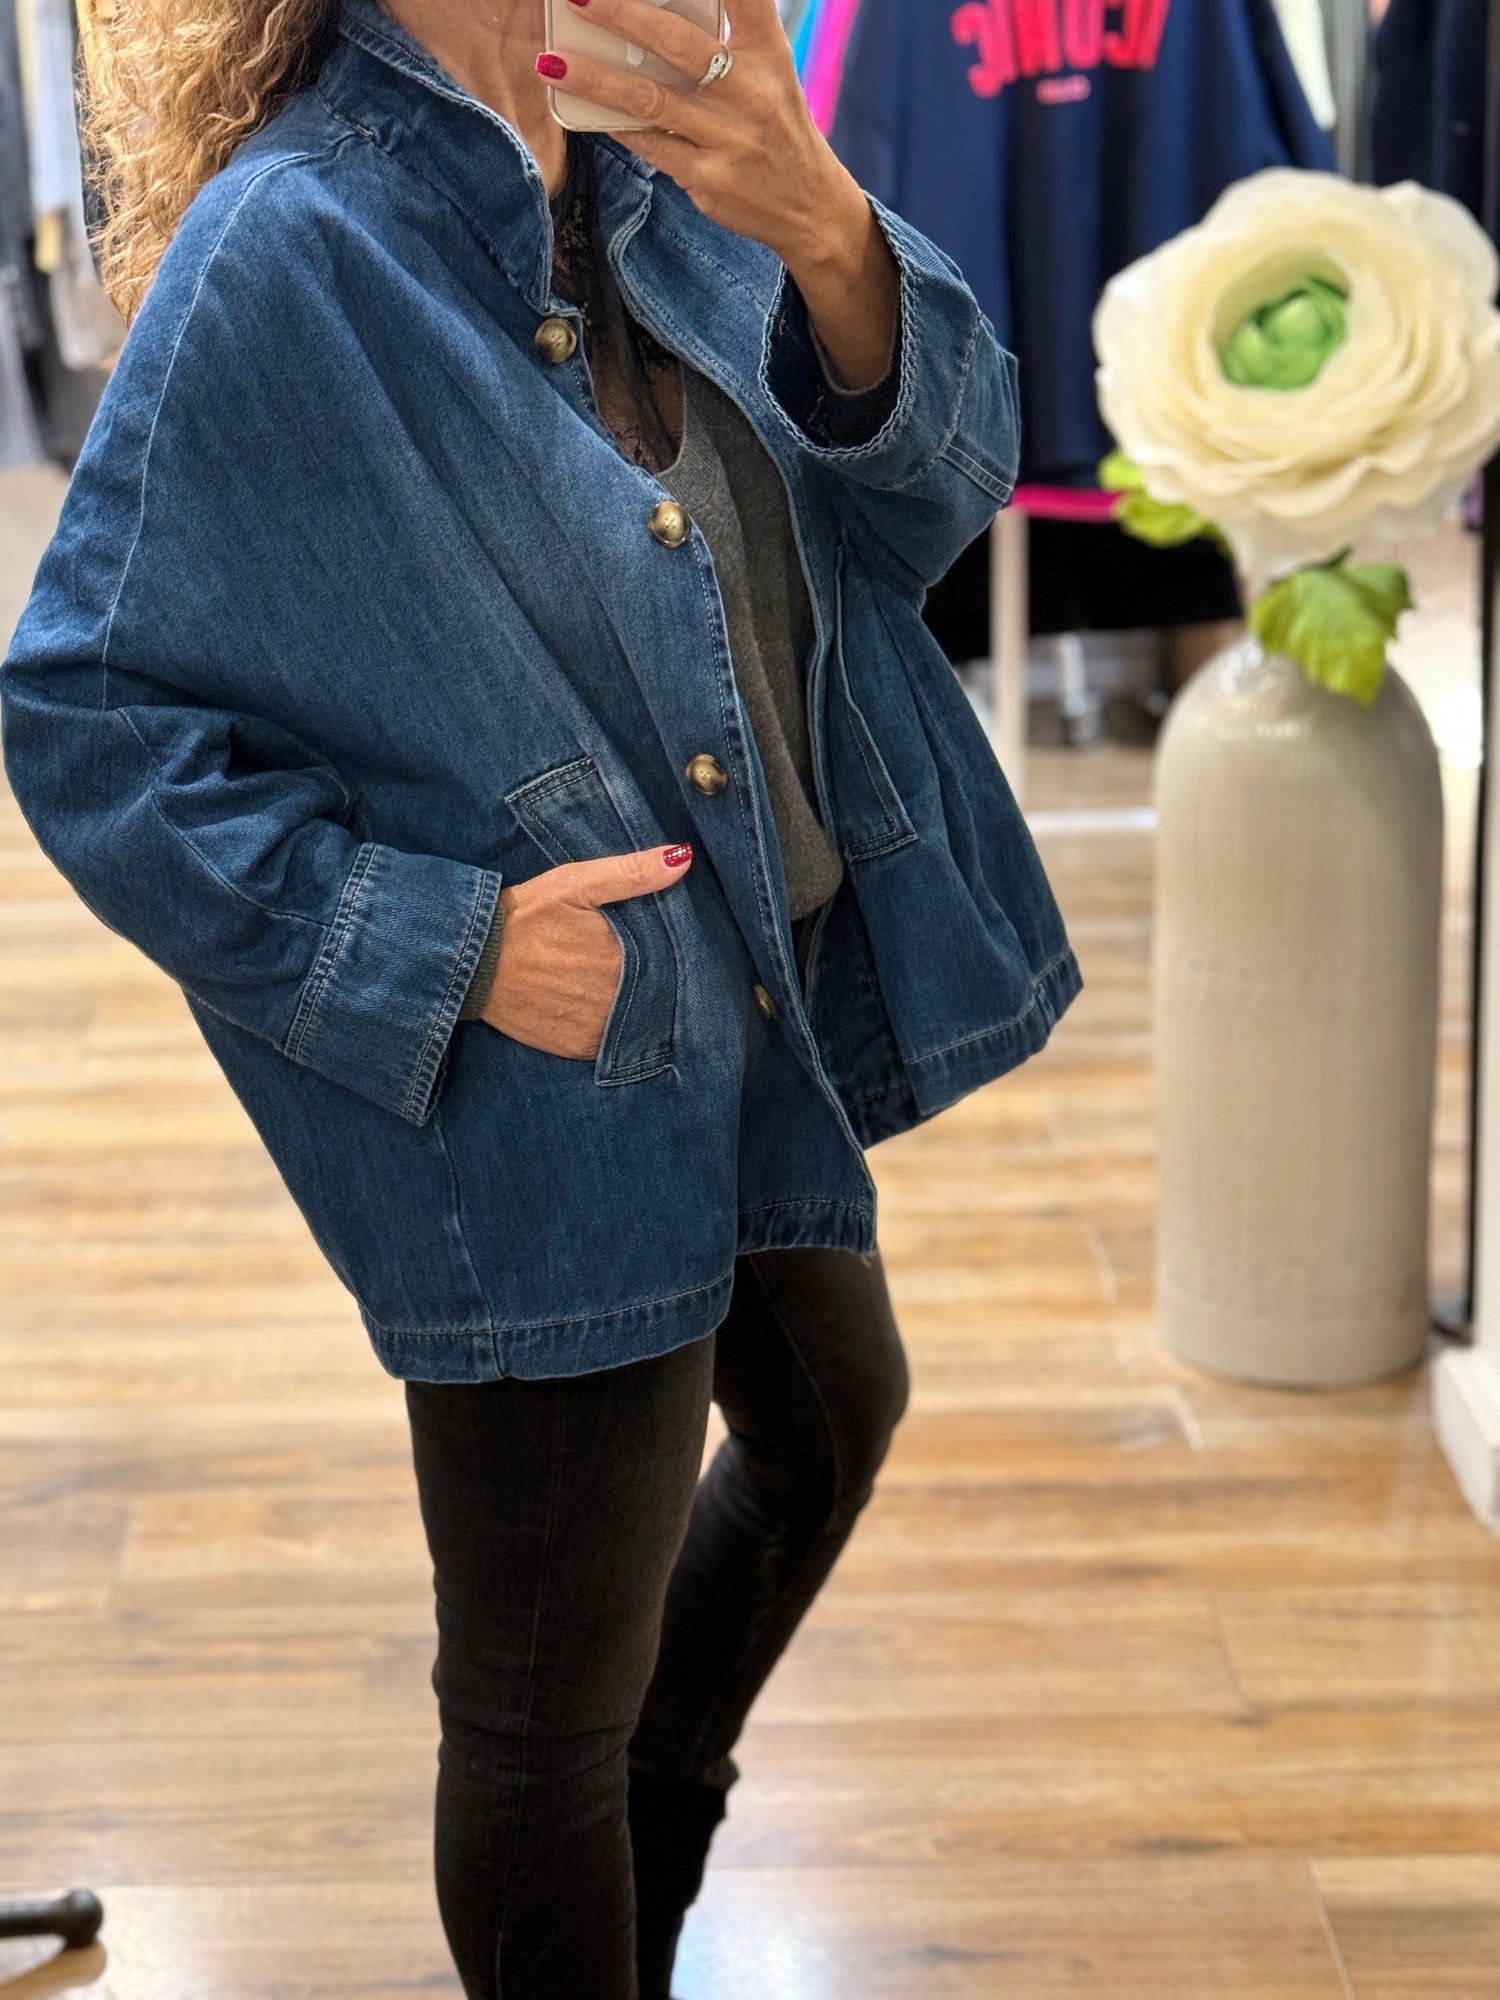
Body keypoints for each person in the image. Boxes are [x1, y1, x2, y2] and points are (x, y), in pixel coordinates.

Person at [0, 0, 1082, 1992]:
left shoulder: (675, 155)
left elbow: (930, 505)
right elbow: (87, 714)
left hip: (738, 1018)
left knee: (831, 1417)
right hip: (545, 1105)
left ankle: (641, 1863)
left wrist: (835, 237)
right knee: (533, 1715)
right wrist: (449, 948)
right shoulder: (296, 244)